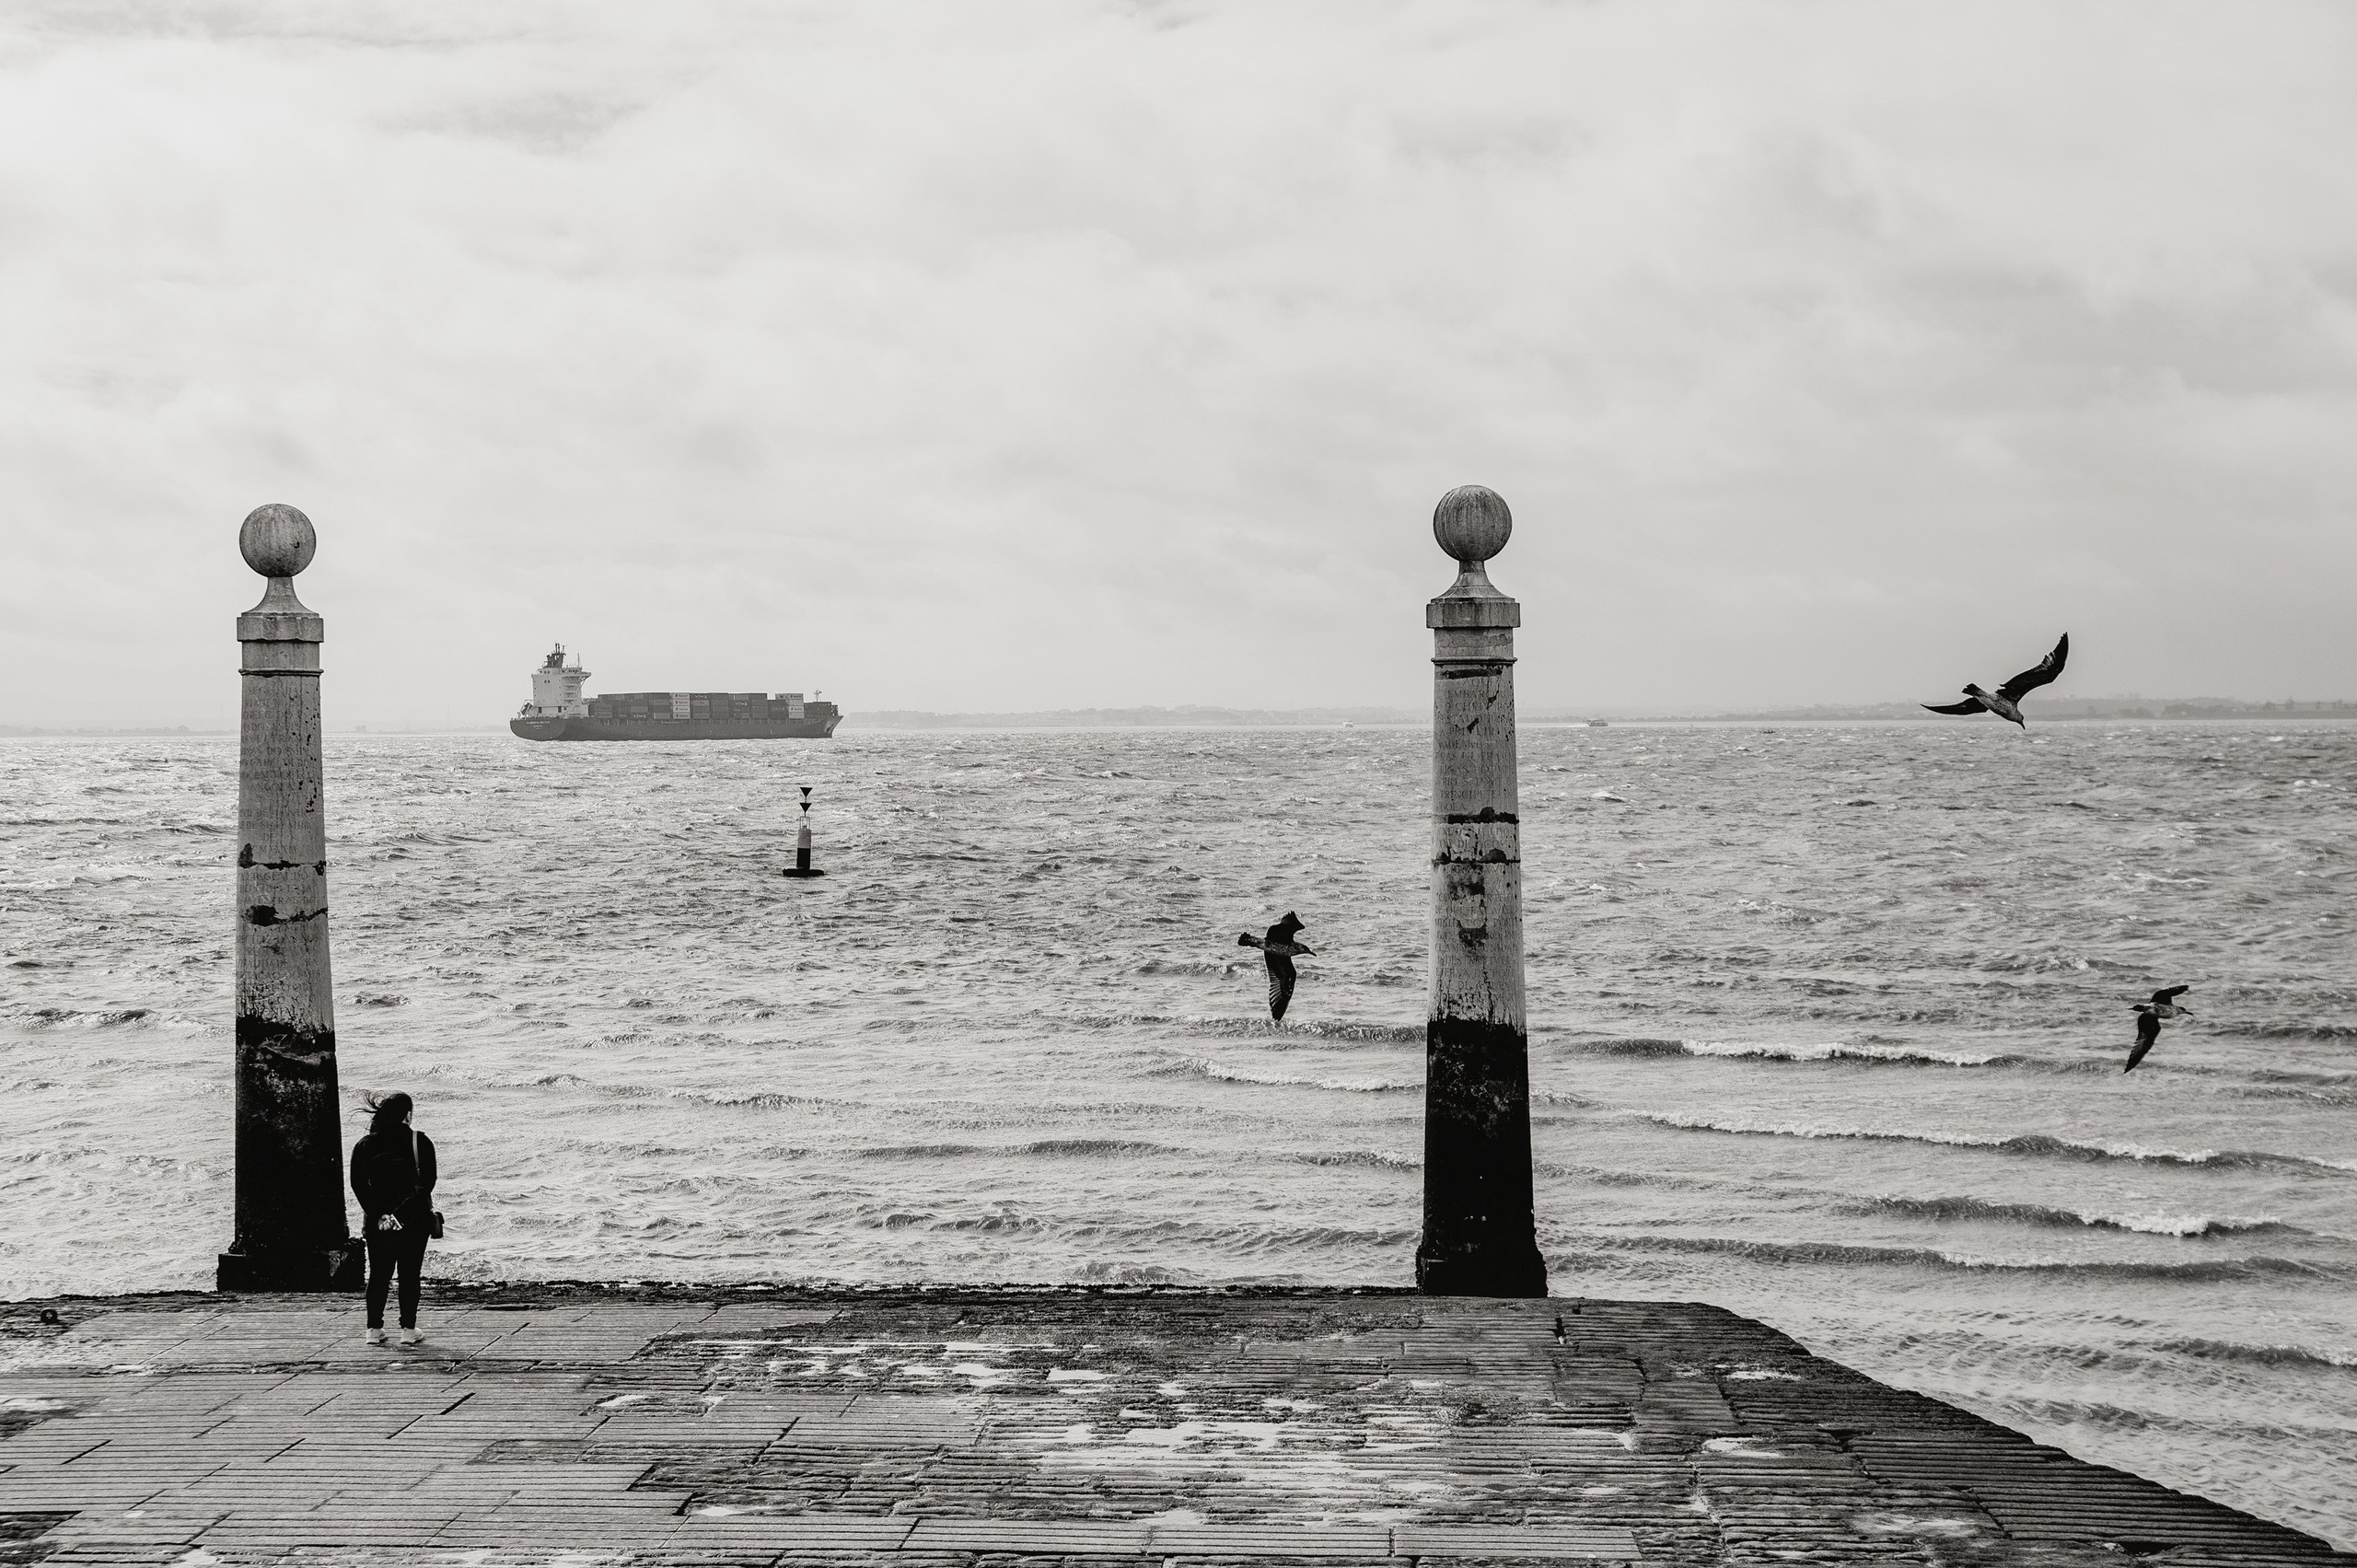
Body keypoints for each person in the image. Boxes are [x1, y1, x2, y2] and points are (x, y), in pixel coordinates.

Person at [350, 1091, 437, 1347]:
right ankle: (408, 1331)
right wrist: (400, 1214)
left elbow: (358, 1184)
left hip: (378, 1224)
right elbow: (427, 1183)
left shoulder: (365, 1144)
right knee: (410, 1275)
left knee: (379, 1275)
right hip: (414, 1221)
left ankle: (374, 1330)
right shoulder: (419, 1141)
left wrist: (381, 1215)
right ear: (407, 1115)